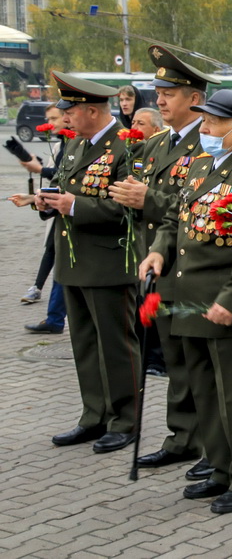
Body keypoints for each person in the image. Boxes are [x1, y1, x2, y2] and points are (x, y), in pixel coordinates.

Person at [141, 89, 232, 515]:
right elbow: (174, 219)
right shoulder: (201, 164)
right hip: (191, 298)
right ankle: (220, 468)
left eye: (213, 123)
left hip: (228, 307)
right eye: (203, 121)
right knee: (204, 391)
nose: (205, 129)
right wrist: (159, 251)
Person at [109, 44, 221, 479]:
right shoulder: (156, 144)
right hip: (157, 262)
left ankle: (214, 446)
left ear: (194, 98)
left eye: (168, 94)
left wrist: (148, 199)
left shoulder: (210, 144)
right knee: (175, 360)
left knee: (200, 366)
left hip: (191, 267)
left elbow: (200, 207)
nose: (158, 101)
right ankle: (182, 438)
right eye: (157, 93)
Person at [38, 71, 142, 454]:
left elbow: (129, 208)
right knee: (84, 344)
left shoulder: (128, 147)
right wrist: (48, 202)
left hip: (109, 264)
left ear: (93, 112)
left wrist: (75, 206)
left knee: (116, 346)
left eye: (71, 110)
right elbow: (67, 189)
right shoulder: (77, 145)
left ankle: (125, 421)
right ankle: (94, 415)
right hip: (74, 262)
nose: (65, 117)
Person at [18, 103, 69, 309]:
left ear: (66, 117)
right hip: (58, 206)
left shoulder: (75, 142)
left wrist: (39, 169)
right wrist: (33, 198)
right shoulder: (60, 144)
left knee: (58, 255)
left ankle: (52, 312)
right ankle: (39, 290)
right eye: (48, 119)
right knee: (51, 248)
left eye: (54, 118)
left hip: (71, 208)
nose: (50, 123)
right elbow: (56, 177)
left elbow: (63, 175)